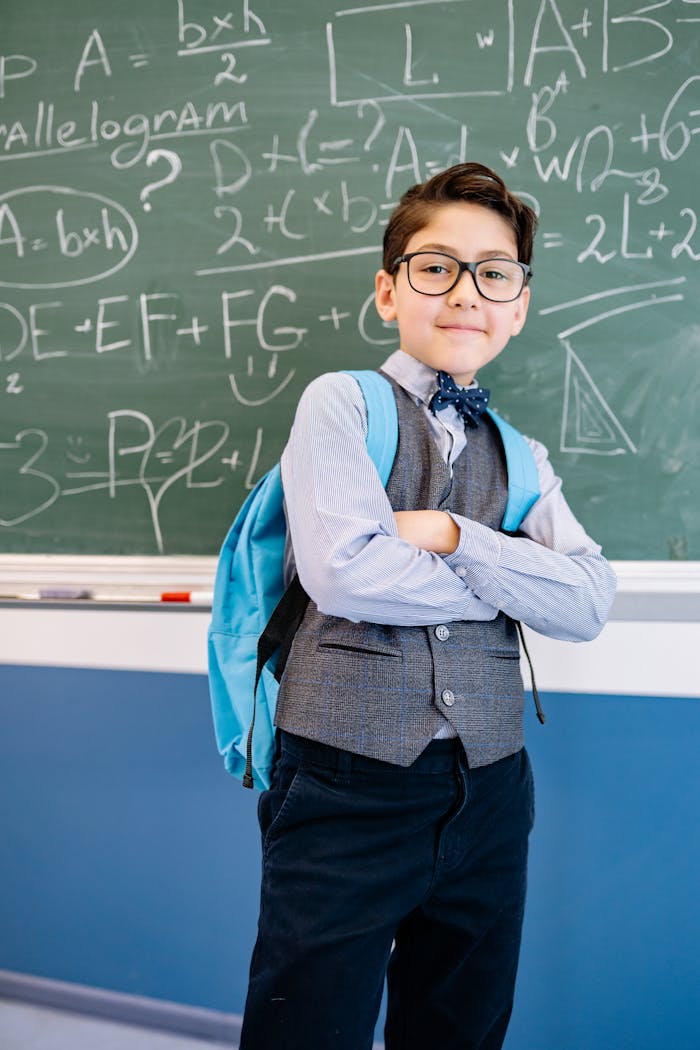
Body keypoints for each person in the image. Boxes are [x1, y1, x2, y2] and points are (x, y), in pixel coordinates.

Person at [239, 162, 616, 1050]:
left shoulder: (521, 455)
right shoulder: (342, 404)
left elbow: (590, 601)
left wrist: (454, 536)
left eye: (495, 272)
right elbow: (347, 576)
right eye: (435, 266)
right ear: (388, 289)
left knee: (460, 1027)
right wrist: (515, 574)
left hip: (491, 786)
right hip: (345, 780)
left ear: (518, 304)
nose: (466, 292)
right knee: (308, 1025)